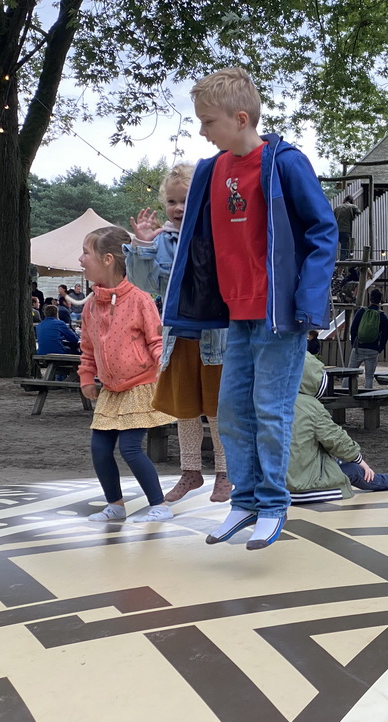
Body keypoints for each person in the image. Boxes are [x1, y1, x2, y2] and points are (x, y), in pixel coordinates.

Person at [162, 67, 337, 550]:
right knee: (231, 410)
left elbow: (323, 231)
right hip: (233, 315)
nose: (202, 131)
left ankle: (273, 504)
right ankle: (245, 501)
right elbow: (197, 239)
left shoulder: (284, 162)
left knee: (270, 409)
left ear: (241, 118)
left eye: (208, 121)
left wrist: (308, 300)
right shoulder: (211, 171)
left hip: (279, 315)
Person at [126, 163, 231, 506]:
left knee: (216, 410)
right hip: (179, 338)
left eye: (186, 200)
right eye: (171, 201)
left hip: (215, 339)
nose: (178, 208)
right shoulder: (163, 243)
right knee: (185, 408)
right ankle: (191, 472)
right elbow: (145, 284)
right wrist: (142, 246)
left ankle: (225, 473)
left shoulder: (217, 234)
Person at [76, 227, 176, 523]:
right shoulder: (92, 305)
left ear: (107, 259)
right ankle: (115, 504)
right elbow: (87, 346)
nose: (80, 259)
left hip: (140, 386)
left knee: (131, 448)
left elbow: (156, 340)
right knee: (99, 448)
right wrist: (86, 376)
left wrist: (165, 369)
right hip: (111, 390)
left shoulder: (140, 298)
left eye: (85, 252)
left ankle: (159, 505)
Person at [287, 352, 388, 503]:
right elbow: (335, 439)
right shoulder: (311, 407)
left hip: (273, 485)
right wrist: (359, 459)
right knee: (354, 470)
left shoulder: (267, 401)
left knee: (329, 458)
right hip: (302, 485)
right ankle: (387, 480)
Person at [348, 288, 388, 389]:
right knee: (369, 377)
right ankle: (367, 398)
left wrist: (354, 343)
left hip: (358, 347)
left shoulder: (361, 311)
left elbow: (353, 328)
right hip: (373, 349)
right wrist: (380, 349)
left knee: (349, 374)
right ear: (380, 300)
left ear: (370, 299)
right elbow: (385, 334)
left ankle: (345, 393)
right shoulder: (382, 316)